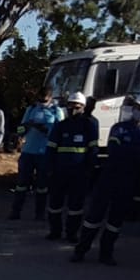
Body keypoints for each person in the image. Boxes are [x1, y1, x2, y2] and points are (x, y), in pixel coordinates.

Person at [73, 91, 140, 265]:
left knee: (115, 221)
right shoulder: (119, 128)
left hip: (128, 182)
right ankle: (81, 250)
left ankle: (106, 254)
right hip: (108, 179)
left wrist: (132, 156)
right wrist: (135, 154)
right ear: (134, 108)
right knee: (93, 218)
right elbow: (115, 151)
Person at [44, 91, 98, 242]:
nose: (73, 108)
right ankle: (55, 231)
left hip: (79, 172)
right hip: (59, 171)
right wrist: (49, 168)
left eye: (77, 106)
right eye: (70, 105)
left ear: (83, 107)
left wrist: (90, 169)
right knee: (55, 204)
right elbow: (51, 148)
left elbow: (93, 150)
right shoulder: (61, 126)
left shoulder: (89, 125)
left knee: (76, 206)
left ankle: (71, 233)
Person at [10, 88, 62, 220]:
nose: (42, 103)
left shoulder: (56, 111)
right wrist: (26, 127)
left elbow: (58, 134)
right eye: (40, 100)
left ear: (50, 98)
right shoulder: (31, 109)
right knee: (21, 183)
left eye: (44, 100)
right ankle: (16, 211)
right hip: (28, 151)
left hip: (44, 152)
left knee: (42, 185)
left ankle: (39, 213)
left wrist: (42, 128)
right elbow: (20, 129)